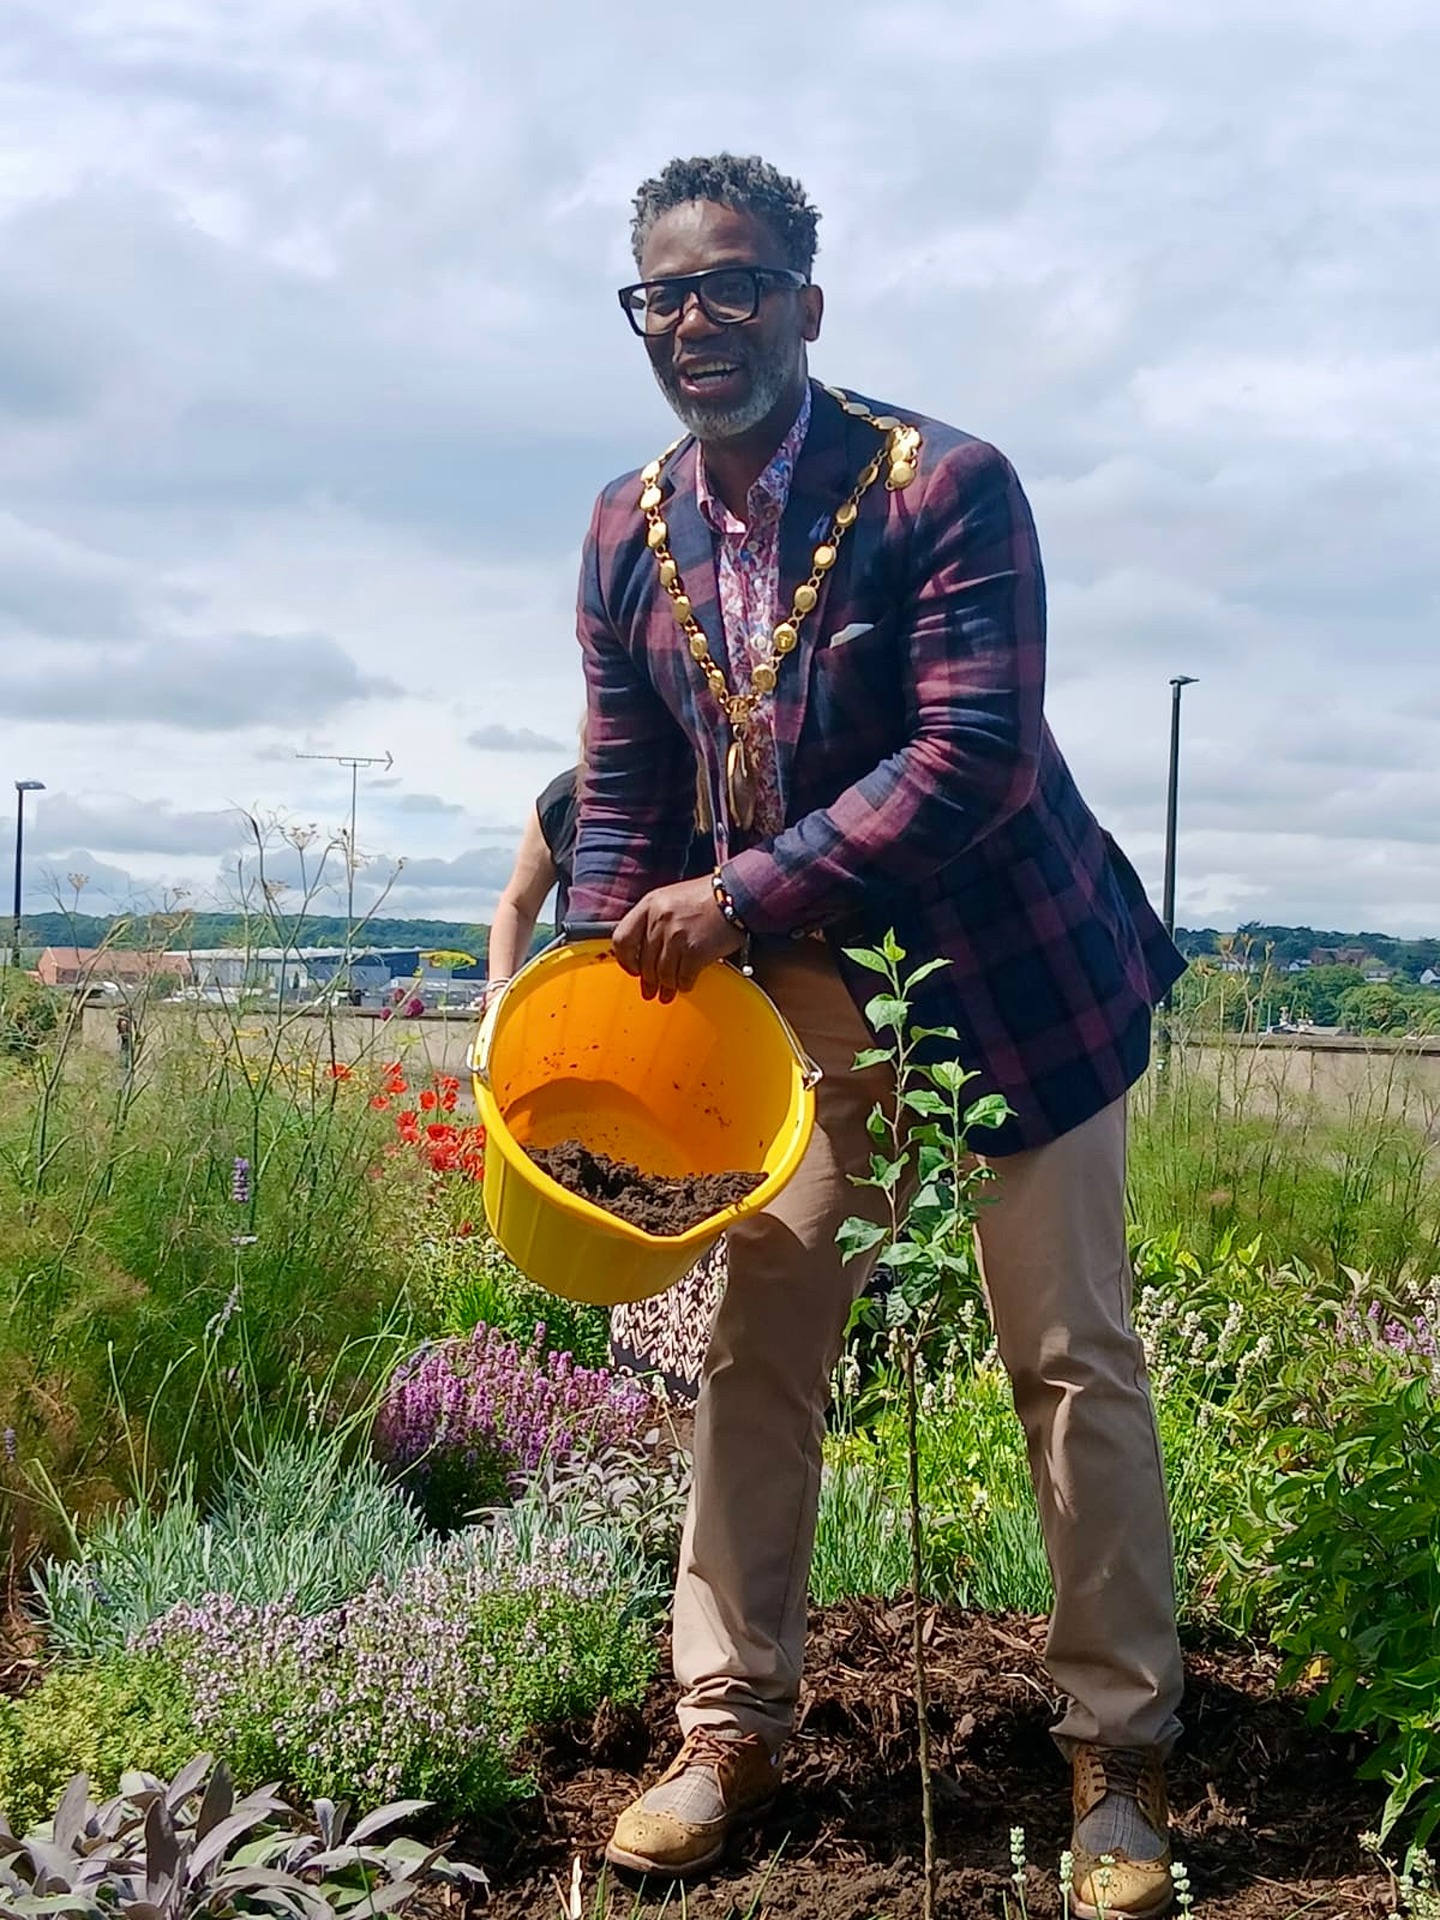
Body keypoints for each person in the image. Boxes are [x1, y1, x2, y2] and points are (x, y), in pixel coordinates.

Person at [568, 154, 1187, 1919]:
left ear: (806, 306)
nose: (700, 322)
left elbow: (970, 757)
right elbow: (624, 788)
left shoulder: (944, 490)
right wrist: (600, 990)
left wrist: (740, 897)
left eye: (737, 286)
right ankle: (727, 1728)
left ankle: (1116, 1759)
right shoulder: (630, 526)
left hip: (1011, 986)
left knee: (1070, 1357)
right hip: (807, 1016)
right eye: (666, 295)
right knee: (758, 1345)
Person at [485, 762, 726, 1403]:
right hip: (589, 1022)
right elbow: (516, 902)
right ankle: (633, 1386)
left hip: (699, 1032)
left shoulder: (717, 798)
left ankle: (689, 1389)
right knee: (614, 1184)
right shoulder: (565, 801)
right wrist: (498, 992)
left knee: (692, 1197)